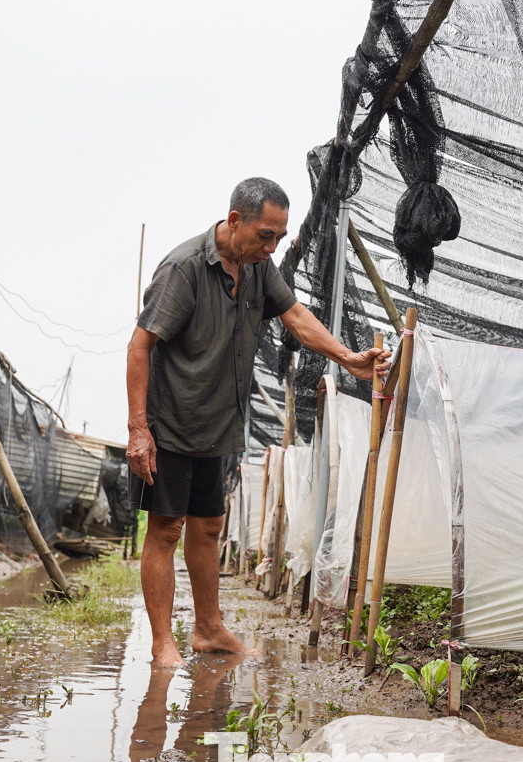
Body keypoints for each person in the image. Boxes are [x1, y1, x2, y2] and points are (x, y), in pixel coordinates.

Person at [126, 177, 389, 667]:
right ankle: (163, 642)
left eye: (279, 237)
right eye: (265, 234)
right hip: (170, 424)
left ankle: (208, 630)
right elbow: (140, 346)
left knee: (208, 528)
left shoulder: (258, 270)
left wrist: (348, 357)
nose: (272, 246)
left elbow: (295, 317)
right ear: (234, 222)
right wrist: (138, 430)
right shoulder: (184, 269)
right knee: (165, 530)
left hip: (218, 424)